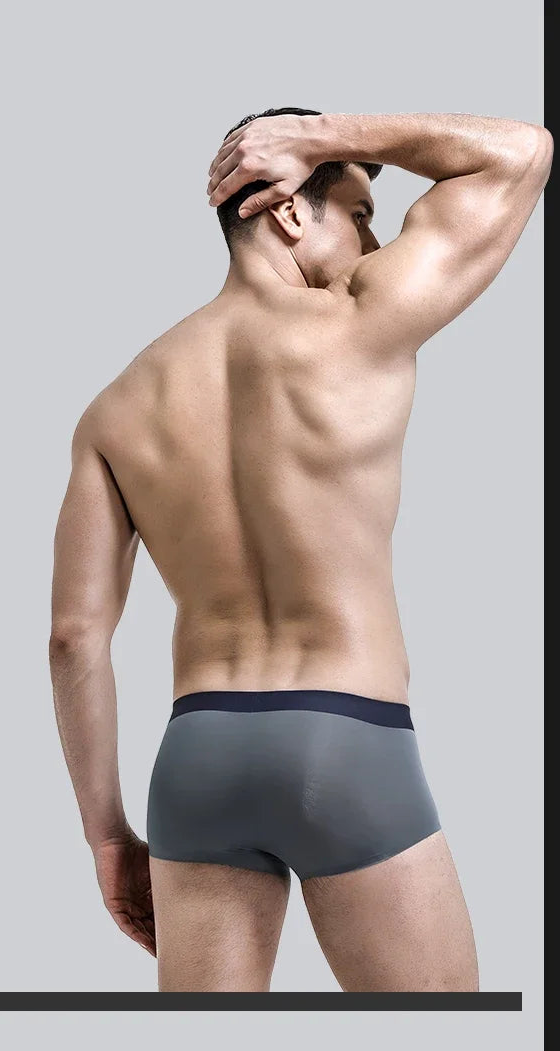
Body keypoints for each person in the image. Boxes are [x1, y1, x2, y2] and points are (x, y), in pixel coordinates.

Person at [48, 109, 551, 992]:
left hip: (197, 760)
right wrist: (325, 135)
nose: (372, 242)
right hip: (346, 741)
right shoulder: (361, 320)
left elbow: (74, 638)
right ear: (287, 212)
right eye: (358, 214)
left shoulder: (115, 407)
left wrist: (107, 836)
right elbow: (524, 151)